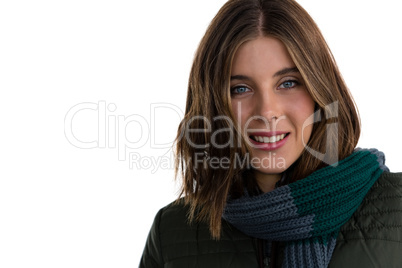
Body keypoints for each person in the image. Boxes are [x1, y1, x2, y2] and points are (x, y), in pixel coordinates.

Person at [139, 0, 402, 267]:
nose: (266, 111)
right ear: (213, 104)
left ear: (319, 89)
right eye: (240, 89)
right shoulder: (171, 232)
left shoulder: (397, 206)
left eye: (288, 83)